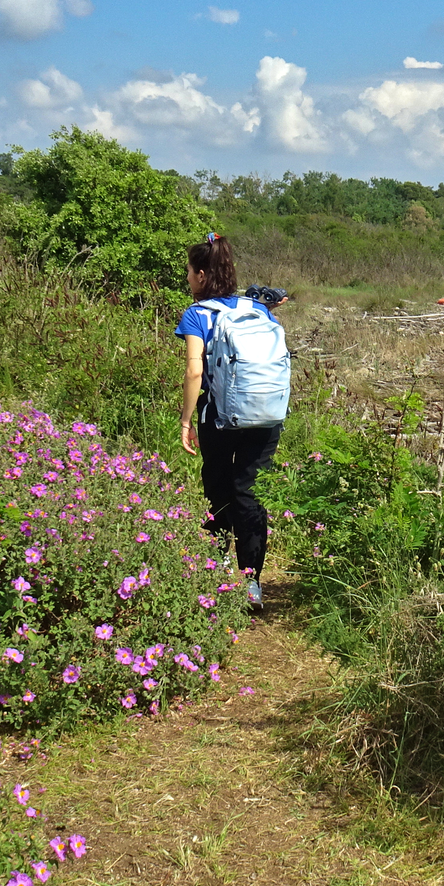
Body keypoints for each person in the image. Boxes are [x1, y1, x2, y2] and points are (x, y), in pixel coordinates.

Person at [177, 231, 285, 612]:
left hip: (219, 418)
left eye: (189, 272)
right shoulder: (256, 308)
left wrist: (186, 420)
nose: (187, 279)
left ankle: (218, 571)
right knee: (250, 494)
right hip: (265, 416)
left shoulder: (197, 314)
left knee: (220, 490)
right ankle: (251, 583)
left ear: (203, 275)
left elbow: (194, 372)